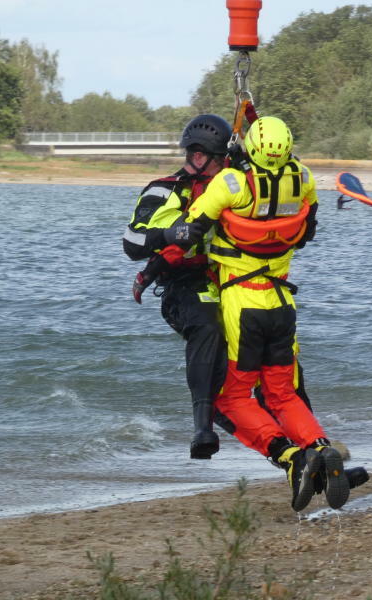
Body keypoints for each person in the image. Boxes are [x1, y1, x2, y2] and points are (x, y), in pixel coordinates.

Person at [175, 116, 353, 512]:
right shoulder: (304, 178)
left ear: (249, 148)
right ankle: (319, 448)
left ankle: (290, 457)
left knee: (232, 398)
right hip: (281, 303)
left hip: (242, 303)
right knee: (283, 393)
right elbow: (306, 232)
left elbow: (189, 230)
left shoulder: (232, 184)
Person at [122, 114, 232, 460]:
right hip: (182, 288)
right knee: (207, 326)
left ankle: (304, 443)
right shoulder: (163, 189)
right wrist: (171, 234)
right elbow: (131, 242)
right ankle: (203, 427)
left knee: (273, 337)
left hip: (233, 280)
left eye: (207, 156)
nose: (199, 161)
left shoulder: (234, 185)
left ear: (221, 158)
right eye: (193, 154)